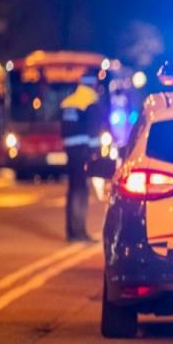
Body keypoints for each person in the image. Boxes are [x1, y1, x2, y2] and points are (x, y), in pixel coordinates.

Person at [60, 74, 101, 242]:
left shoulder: (68, 102)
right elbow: (93, 130)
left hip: (70, 151)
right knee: (81, 191)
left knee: (72, 189)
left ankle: (71, 231)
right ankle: (79, 232)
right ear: (92, 85)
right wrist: (95, 152)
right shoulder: (90, 101)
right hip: (83, 151)